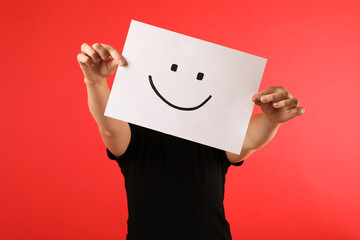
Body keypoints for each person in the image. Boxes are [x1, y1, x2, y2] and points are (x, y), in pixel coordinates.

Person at [77, 42, 305, 240]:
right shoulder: (135, 136)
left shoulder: (212, 134)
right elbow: (109, 129)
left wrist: (272, 120)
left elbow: (248, 139)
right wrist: (95, 82)